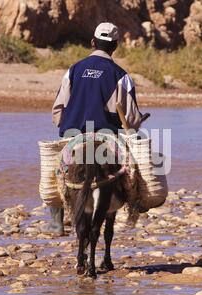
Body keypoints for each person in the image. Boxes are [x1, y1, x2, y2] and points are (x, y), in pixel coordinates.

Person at [43, 22, 143, 235]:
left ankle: (56, 219)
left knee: (56, 171)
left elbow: (57, 111)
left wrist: (68, 126)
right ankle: (136, 201)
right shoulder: (121, 75)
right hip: (107, 138)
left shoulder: (73, 70)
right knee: (133, 172)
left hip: (74, 135)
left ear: (92, 42)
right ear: (115, 46)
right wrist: (133, 127)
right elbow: (131, 119)